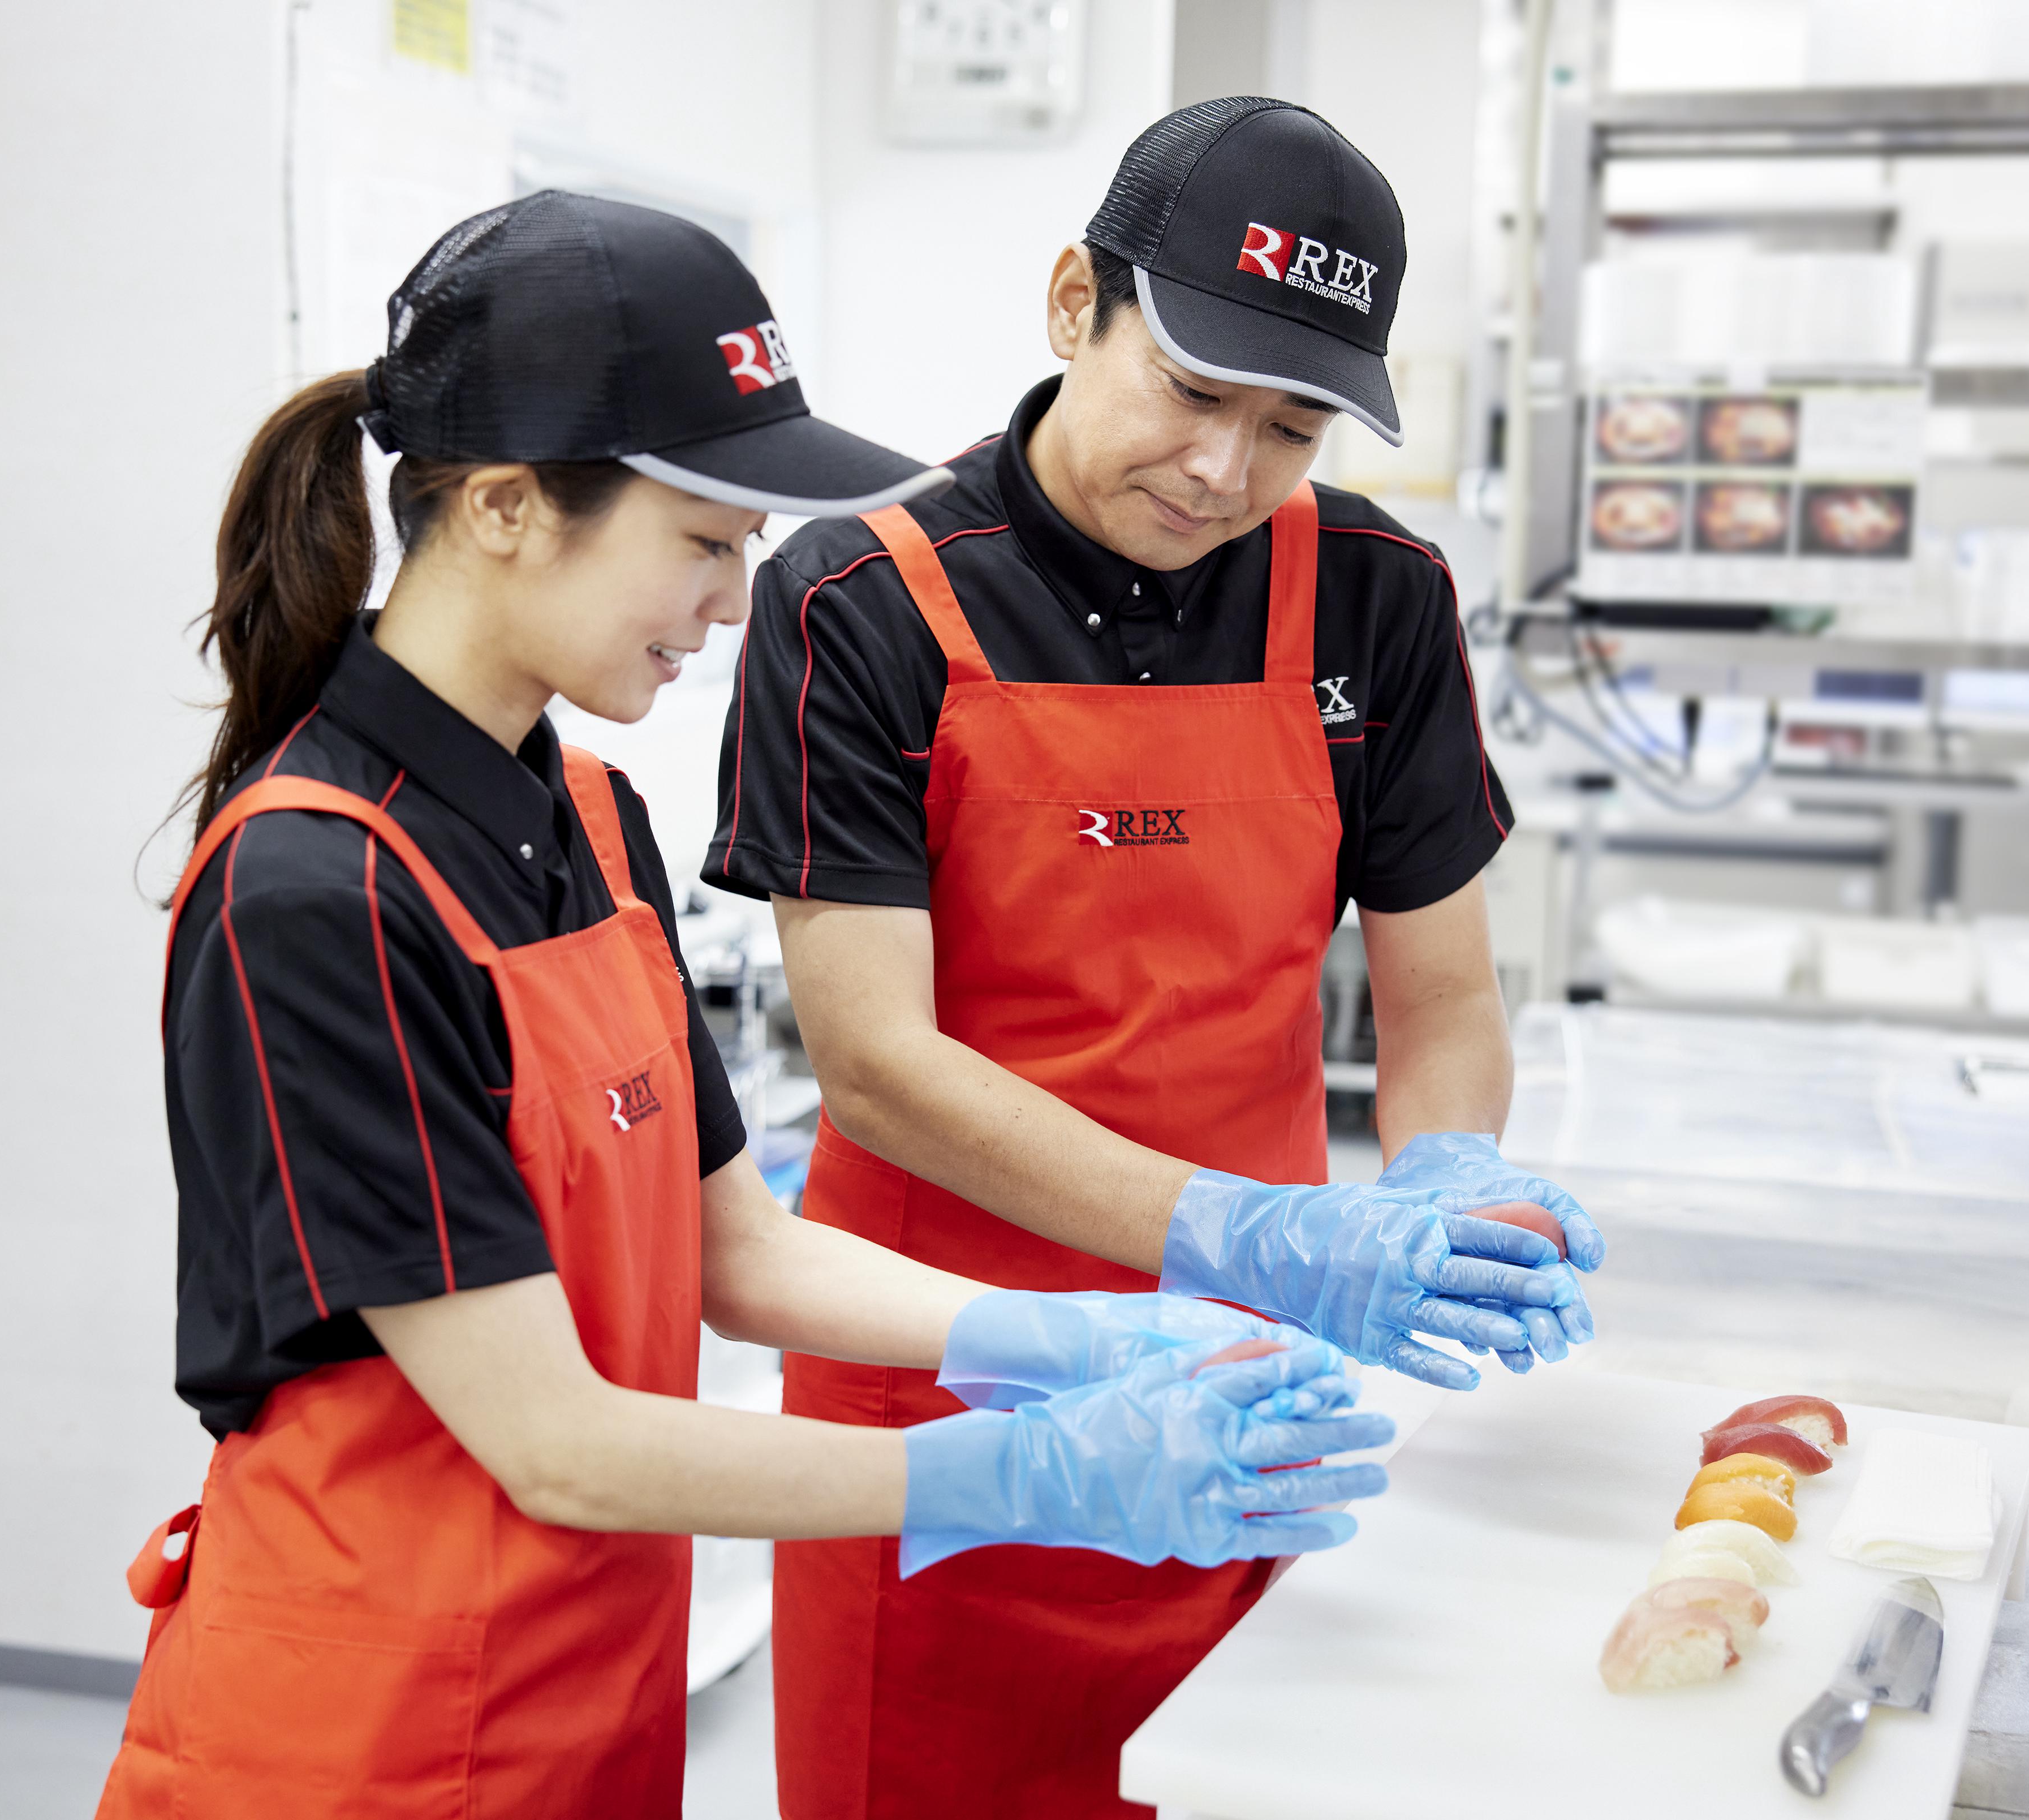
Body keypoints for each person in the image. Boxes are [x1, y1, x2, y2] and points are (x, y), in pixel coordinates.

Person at [93, 191, 1419, 1820]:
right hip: (357, 1740)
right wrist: (1013, 1469)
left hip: (588, 1702)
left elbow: (742, 1252)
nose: (733, 606)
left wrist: (1075, 1335)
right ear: (509, 507)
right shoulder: (318, 892)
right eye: (706, 540)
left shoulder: (583, 813)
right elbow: (555, 1439)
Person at [705, 101, 1610, 1818]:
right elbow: (878, 1067)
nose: (1224, 471)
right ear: (1074, 304)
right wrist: (1239, 1229)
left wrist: (1443, 1180)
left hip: (1254, 1389)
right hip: (948, 1396)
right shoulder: (862, 597)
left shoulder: (1377, 600)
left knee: (1234, 1779)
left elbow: (1437, 995)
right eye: (1193, 391)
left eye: (1293, 428)